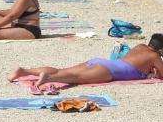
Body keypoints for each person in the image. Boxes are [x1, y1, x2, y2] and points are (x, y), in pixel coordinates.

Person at [11, 34, 163, 88]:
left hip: (101, 62)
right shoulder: (154, 56)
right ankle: (48, 78)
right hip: (110, 71)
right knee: (75, 78)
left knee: (63, 70)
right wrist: (154, 73)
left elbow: (136, 63)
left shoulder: (140, 46)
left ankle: (24, 71)